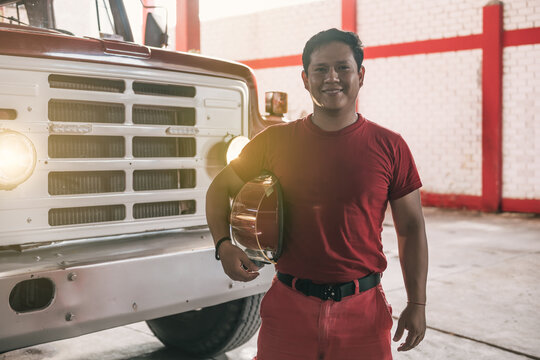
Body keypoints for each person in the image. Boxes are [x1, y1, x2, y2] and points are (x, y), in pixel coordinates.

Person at [206, 28, 428, 360]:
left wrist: (417, 302)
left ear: (361, 75)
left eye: (343, 67)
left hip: (363, 314)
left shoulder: (390, 146)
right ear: (305, 78)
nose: (332, 78)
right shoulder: (274, 142)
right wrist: (223, 245)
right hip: (288, 309)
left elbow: (411, 228)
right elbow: (218, 189)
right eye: (320, 69)